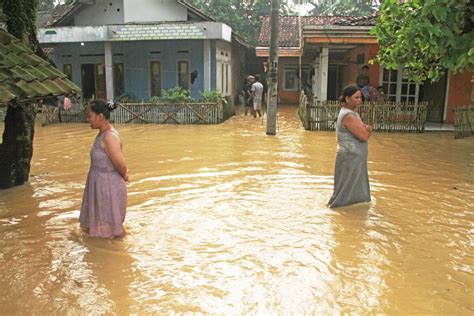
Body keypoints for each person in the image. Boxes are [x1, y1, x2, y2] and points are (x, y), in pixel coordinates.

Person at [80, 99, 128, 238]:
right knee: (104, 227)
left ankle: (113, 255)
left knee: (111, 228)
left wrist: (125, 175)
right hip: (101, 184)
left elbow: (121, 165)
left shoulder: (109, 137)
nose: (88, 119)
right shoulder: (102, 134)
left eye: (90, 116)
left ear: (100, 116)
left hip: (108, 186)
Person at [328, 85, 373, 208]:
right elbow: (364, 136)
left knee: (350, 188)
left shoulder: (352, 114)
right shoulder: (349, 116)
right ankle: (340, 213)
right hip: (350, 157)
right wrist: (369, 130)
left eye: (360, 97)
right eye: (356, 97)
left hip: (354, 157)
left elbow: (362, 128)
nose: (360, 100)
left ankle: (349, 214)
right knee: (345, 189)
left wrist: (366, 128)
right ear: (347, 99)